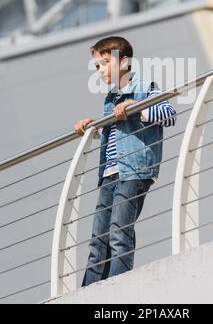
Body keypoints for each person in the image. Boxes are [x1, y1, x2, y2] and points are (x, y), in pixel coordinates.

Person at [74, 36, 177, 286]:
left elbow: (170, 114)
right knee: (99, 236)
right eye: (97, 66)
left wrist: (138, 107)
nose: (100, 70)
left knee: (119, 230)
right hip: (109, 173)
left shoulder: (144, 87)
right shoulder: (110, 99)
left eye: (105, 62)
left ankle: (118, 287)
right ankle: (89, 292)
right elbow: (115, 136)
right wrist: (93, 128)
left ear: (124, 62)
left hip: (134, 170)